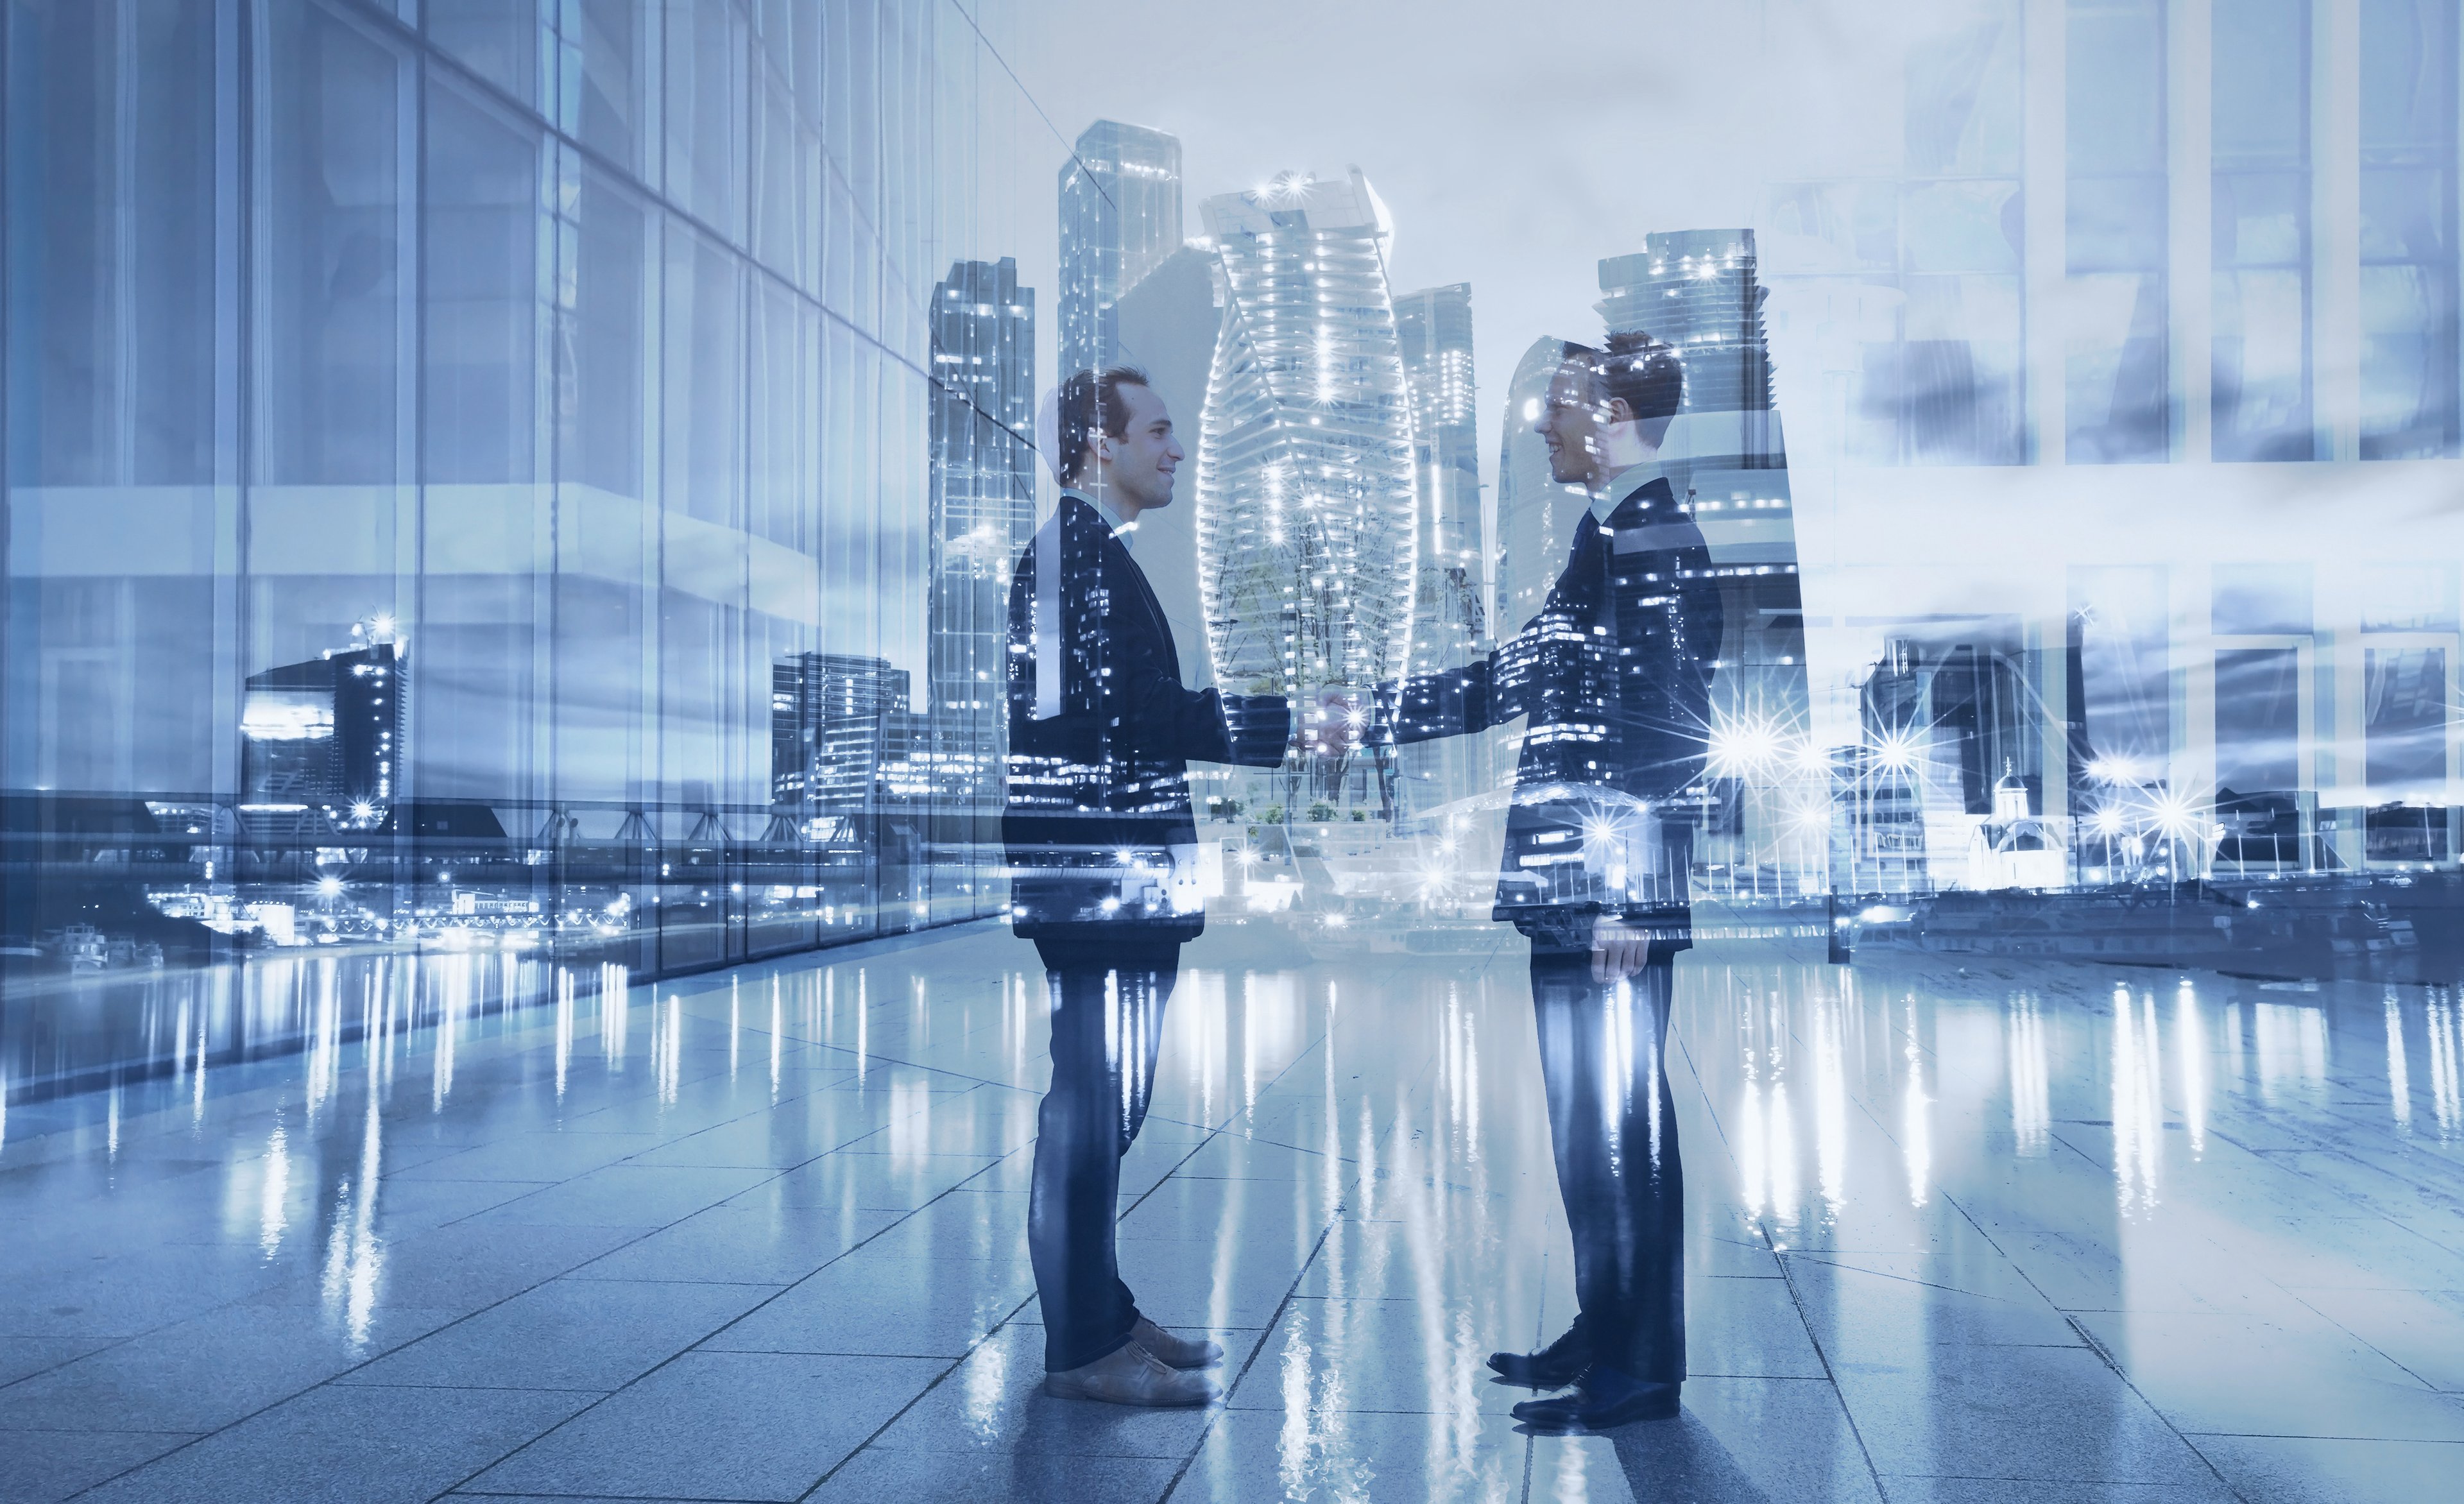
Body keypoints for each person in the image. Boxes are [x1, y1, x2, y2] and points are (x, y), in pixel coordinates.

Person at [1348, 331, 1722, 1431]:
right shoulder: (1603, 541)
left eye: (1558, 405)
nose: (1543, 423)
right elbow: (1509, 680)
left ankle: (1642, 1370)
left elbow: (1670, 729)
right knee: (1586, 1131)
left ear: (1608, 409)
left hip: (1606, 898)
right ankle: (1603, 1332)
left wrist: (1630, 898)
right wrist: (1359, 717)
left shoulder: (1657, 540)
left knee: (1624, 1130)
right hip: (1573, 893)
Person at [1005, 366, 1290, 1406]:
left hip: (1110, 882)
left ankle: (1107, 1315)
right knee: (1088, 1112)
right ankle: (1083, 1349)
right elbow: (1131, 722)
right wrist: (1288, 725)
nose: (1176, 451)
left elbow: (1118, 718)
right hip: (1101, 885)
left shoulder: (1089, 558)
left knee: (1107, 1108)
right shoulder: (1069, 562)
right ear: (1100, 444)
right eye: (1159, 431)